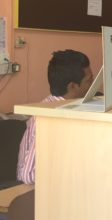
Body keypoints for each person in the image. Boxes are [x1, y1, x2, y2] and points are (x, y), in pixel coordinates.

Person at [17, 49, 93, 184]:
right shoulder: (46, 118)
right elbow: (28, 175)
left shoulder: (70, 107)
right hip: (39, 191)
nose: (93, 84)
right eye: (89, 80)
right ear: (73, 86)